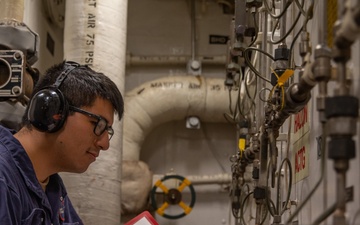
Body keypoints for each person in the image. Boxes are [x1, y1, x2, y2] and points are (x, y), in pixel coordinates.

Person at [0, 61, 124, 224]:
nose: (105, 144)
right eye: (98, 124)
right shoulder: (4, 180)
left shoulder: (52, 187)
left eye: (107, 130)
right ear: (53, 111)